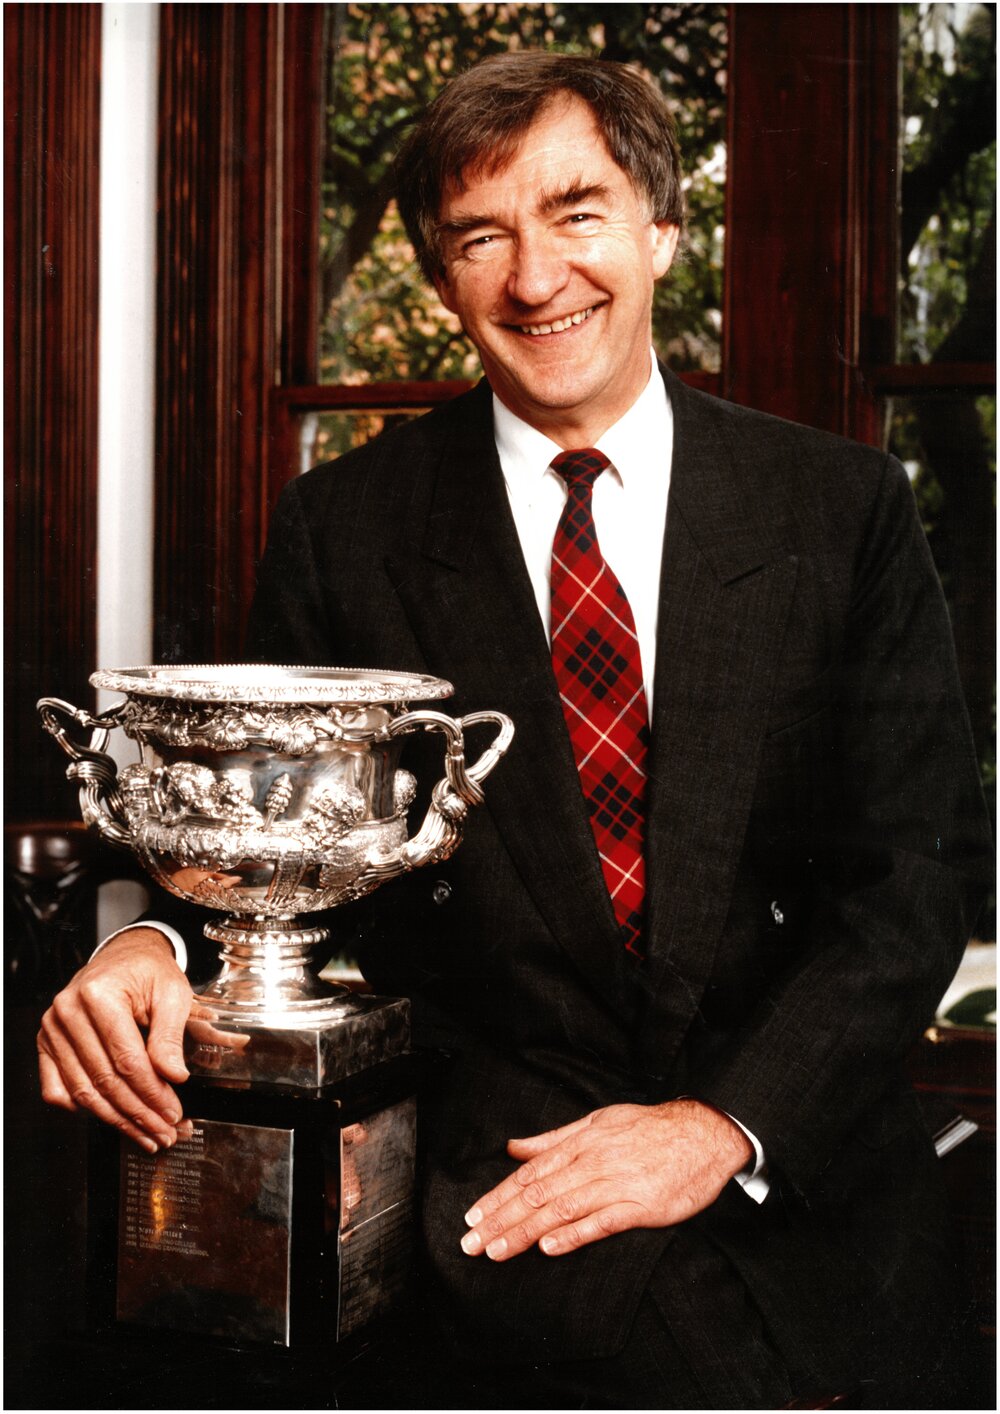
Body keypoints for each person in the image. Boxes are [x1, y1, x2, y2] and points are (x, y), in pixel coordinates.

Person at [38, 52, 991, 1408]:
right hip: (492, 1216)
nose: (537, 278)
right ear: (442, 279)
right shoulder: (348, 529)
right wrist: (146, 940)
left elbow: (915, 878)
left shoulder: (838, 511)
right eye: (483, 236)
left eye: (577, 211)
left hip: (803, 1191)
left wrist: (723, 1125)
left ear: (664, 228)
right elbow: (267, 832)